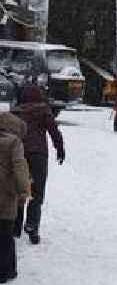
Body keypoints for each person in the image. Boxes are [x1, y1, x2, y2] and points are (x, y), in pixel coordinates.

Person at [12, 86, 65, 245]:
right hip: (38, 155)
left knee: (20, 189)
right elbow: (54, 131)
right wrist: (60, 149)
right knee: (37, 192)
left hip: (19, 154)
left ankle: (16, 226)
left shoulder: (16, 111)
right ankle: (32, 226)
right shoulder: (43, 110)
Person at [0, 112, 30, 283]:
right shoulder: (14, 142)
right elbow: (19, 165)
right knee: (5, 233)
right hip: (5, 192)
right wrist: (24, 189)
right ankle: (5, 272)